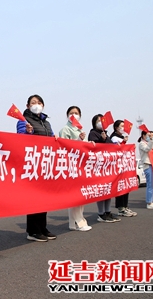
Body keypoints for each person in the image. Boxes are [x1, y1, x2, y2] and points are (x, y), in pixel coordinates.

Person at [17, 94, 57, 241]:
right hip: (32, 163)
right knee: (34, 198)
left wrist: (55, 139)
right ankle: (33, 231)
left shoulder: (46, 122)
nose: (36, 105)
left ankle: (42, 227)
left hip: (45, 164)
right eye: (33, 103)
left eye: (39, 102)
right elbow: (20, 139)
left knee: (44, 197)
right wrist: (28, 132)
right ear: (27, 106)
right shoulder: (23, 120)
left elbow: (51, 137)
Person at [58, 106, 91, 231]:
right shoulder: (65, 129)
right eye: (71, 113)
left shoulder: (80, 129)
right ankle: (79, 222)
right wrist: (78, 139)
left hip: (81, 165)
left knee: (81, 196)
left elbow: (84, 147)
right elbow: (65, 146)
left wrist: (89, 144)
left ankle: (74, 222)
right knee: (76, 195)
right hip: (72, 166)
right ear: (67, 115)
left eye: (76, 113)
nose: (74, 115)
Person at [88, 115, 122, 222]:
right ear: (94, 122)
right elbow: (94, 148)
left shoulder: (106, 134)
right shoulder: (93, 133)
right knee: (101, 191)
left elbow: (111, 147)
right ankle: (101, 214)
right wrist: (102, 140)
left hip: (108, 166)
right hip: (99, 166)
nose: (100, 122)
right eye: (98, 120)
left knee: (108, 190)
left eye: (102, 120)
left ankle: (108, 212)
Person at [110, 120, 135, 216]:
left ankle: (125, 206)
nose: (123, 128)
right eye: (121, 126)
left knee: (126, 186)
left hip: (124, 165)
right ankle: (121, 208)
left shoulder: (121, 137)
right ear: (116, 127)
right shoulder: (114, 137)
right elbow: (117, 149)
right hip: (118, 166)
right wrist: (124, 142)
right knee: (120, 186)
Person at [139, 130, 153, 209]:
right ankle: (149, 202)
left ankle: (151, 201)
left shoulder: (149, 143)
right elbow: (147, 149)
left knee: (152, 184)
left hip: (152, 164)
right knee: (150, 184)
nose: (150, 137)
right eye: (148, 135)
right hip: (147, 165)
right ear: (143, 135)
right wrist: (151, 140)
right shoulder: (142, 143)